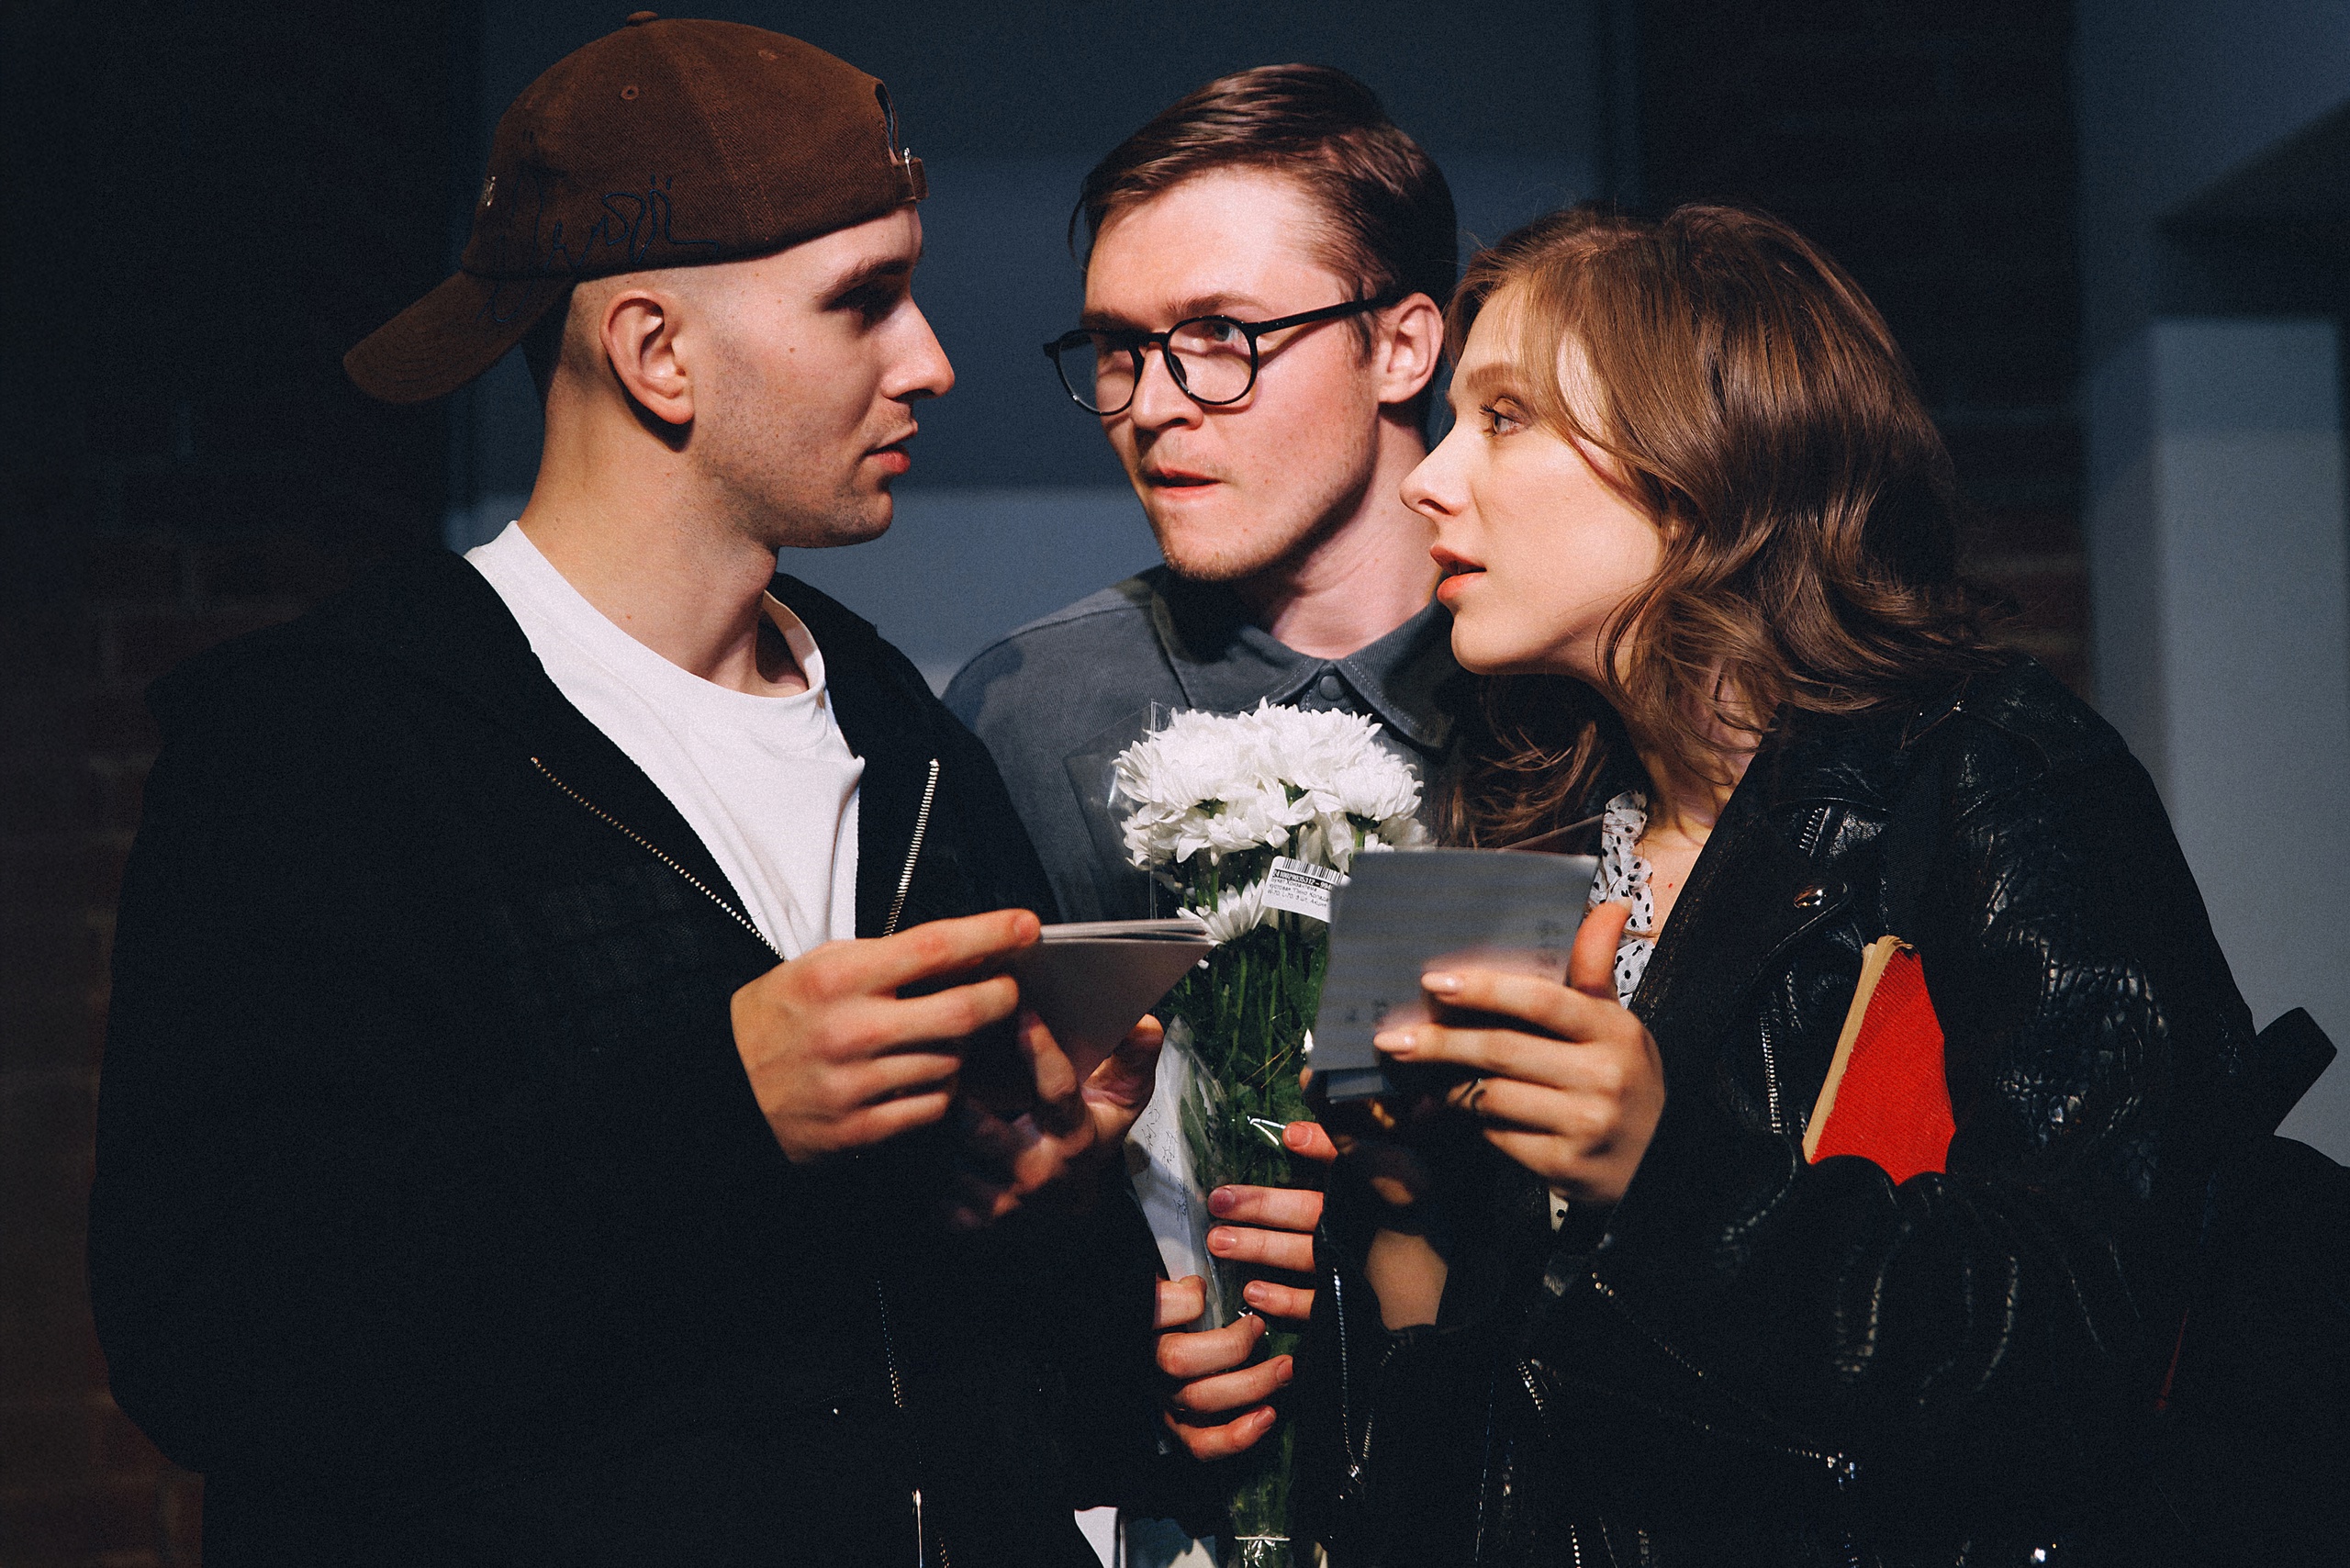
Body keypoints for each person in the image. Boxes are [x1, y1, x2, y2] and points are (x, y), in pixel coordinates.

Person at [87, 18, 1163, 1567]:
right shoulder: (321, 748)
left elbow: (1001, 1366)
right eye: (863, 300)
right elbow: (216, 1337)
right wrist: (724, 1108)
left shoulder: (910, 738)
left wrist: (1054, 1202)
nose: (930, 359)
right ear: (657, 352)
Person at [1273, 204, 2290, 1563]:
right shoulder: (1513, 826)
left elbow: (2093, 1334)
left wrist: (1670, 1173)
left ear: (1700, 460)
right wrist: (1400, 1224)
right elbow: (1479, 1448)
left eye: (1504, 418)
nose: (1429, 479)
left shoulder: (1994, 774)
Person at [940, 63, 1454, 1486]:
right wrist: (1106, 1348)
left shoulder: (1564, 698)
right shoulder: (1027, 712)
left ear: (1402, 345)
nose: (1154, 406)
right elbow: (963, 1212)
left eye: (1223, 337)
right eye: (1119, 349)